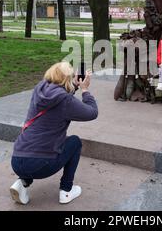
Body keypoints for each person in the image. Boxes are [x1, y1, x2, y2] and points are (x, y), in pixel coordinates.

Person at [9, 61, 98, 205]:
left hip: (17, 160)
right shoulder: (65, 101)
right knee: (74, 142)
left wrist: (73, 85)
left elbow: (57, 96)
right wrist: (85, 90)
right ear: (68, 78)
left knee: (37, 149)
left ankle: (22, 182)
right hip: (41, 165)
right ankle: (66, 191)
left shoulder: (40, 89)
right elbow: (92, 113)